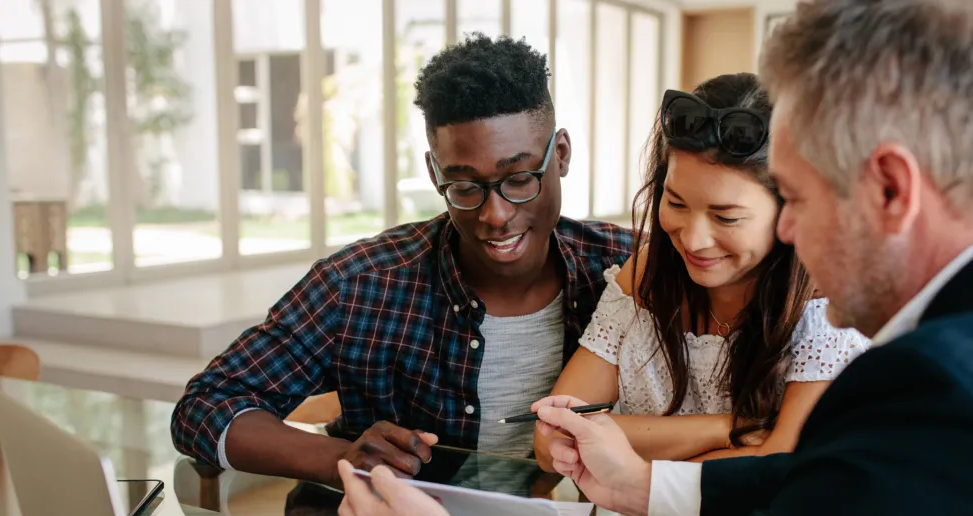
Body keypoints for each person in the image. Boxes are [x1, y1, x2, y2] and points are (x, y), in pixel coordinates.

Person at [333, 1, 973, 516]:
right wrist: (641, 487)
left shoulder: (945, 393)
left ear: (891, 188)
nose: (786, 229)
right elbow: (829, 485)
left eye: (791, 197)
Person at [170, 36, 634, 484]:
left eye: (519, 179)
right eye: (465, 187)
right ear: (435, 175)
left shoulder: (628, 270)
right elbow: (205, 406)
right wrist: (341, 458)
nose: (496, 215)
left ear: (563, 155)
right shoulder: (361, 285)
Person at [535, 73, 867, 516]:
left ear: (790, 210)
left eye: (726, 217)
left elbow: (777, 471)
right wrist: (728, 429)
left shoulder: (825, 301)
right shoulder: (644, 277)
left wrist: (626, 453)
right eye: (675, 203)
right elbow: (554, 439)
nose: (693, 238)